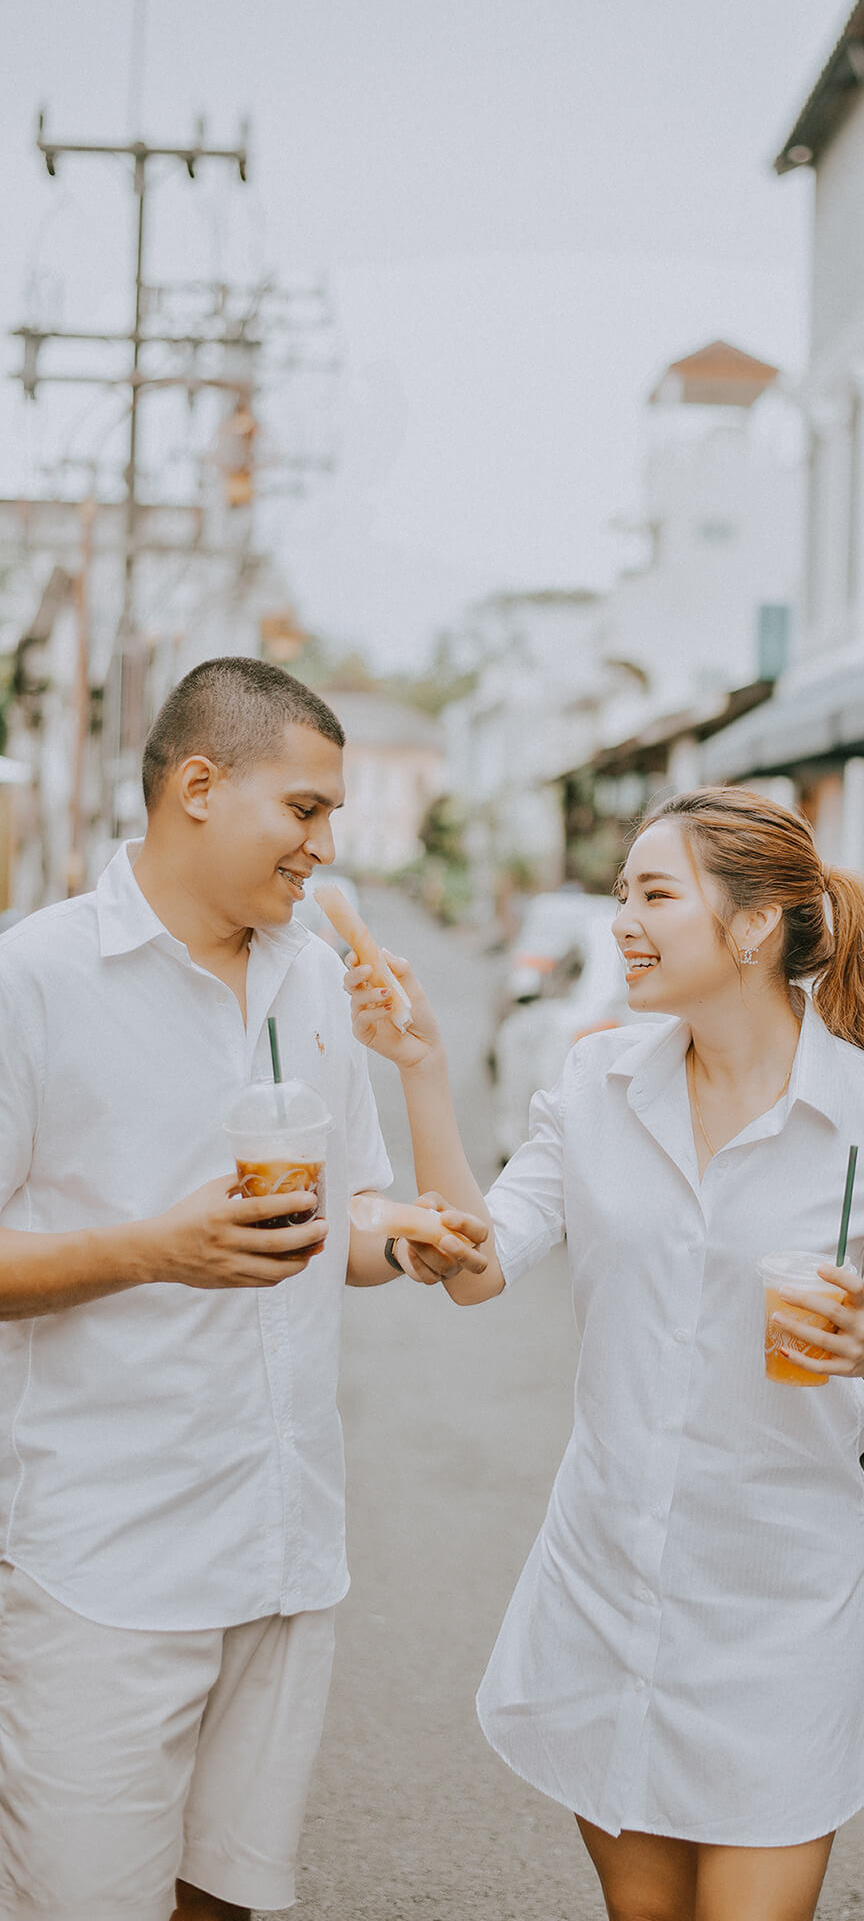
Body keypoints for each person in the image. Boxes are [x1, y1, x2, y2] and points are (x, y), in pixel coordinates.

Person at [350, 785, 864, 1921]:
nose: (620, 919)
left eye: (653, 893)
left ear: (748, 926)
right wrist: (422, 1070)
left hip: (778, 1606)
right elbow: (478, 1268)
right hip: (609, 1579)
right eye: (619, 891)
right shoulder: (595, 1083)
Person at [0, 657, 486, 1921]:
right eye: (308, 809)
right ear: (200, 786)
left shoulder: (315, 977)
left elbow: (349, 1224)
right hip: (102, 1566)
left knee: (224, 1900)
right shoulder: (32, 980)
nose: (330, 843)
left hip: (282, 1551)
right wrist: (155, 1247)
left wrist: (406, 1235)